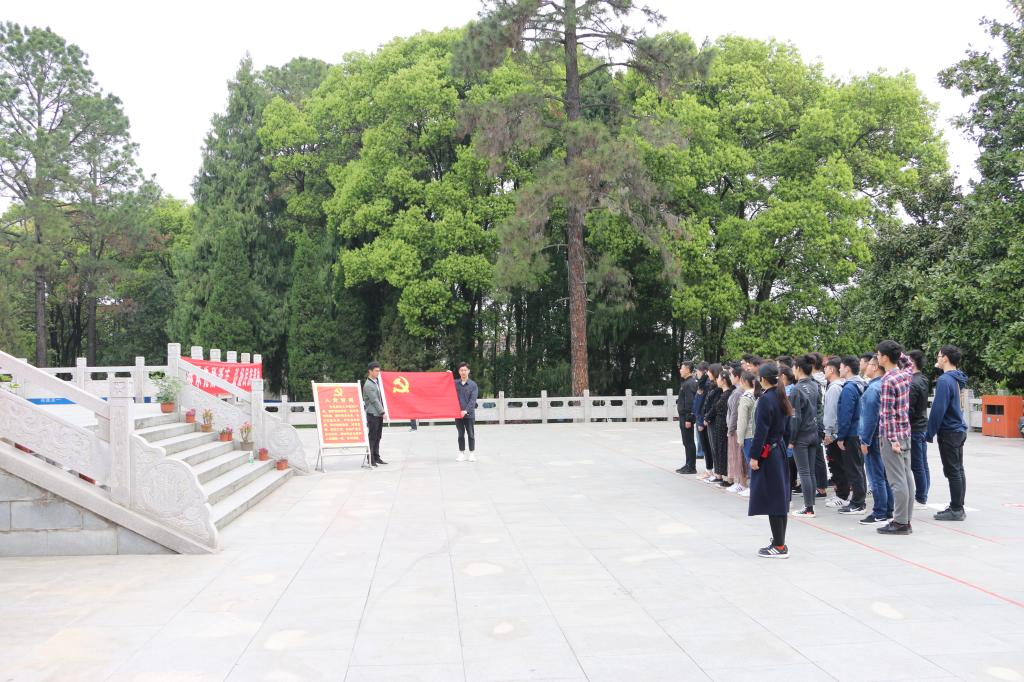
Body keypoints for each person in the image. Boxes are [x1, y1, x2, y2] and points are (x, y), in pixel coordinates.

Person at [748, 364, 794, 558]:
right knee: (779, 497)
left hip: (769, 452)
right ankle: (778, 541)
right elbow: (788, 429)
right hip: (779, 449)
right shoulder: (781, 396)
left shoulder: (766, 399)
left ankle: (779, 546)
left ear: (763, 379)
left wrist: (754, 456)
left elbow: (761, 432)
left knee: (774, 499)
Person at [875, 341, 915, 535]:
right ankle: (906, 520)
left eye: (878, 354)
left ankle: (899, 522)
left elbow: (887, 414)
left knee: (897, 480)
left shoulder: (888, 380)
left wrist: (892, 440)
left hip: (892, 435)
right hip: (905, 432)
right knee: (906, 478)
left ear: (885, 358)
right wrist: (900, 354)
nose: (877, 357)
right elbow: (910, 365)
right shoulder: (905, 375)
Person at [927, 345, 969, 521]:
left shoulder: (945, 380)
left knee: (953, 471)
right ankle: (957, 506)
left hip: (950, 431)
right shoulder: (957, 378)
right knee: (958, 469)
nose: (937, 359)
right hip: (958, 429)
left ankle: (957, 509)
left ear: (945, 358)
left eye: (938, 356)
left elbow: (938, 409)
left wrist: (929, 432)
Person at [858, 354, 893, 524]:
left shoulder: (873, 389)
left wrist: (865, 440)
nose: (866, 368)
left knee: (876, 476)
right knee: (884, 475)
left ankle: (879, 511)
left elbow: (870, 418)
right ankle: (888, 509)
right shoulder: (885, 384)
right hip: (884, 436)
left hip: (874, 438)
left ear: (875, 367)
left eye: (869, 365)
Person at [789, 355, 821, 517]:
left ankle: (809, 508)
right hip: (814, 433)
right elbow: (819, 409)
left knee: (804, 472)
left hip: (801, 436)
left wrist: (791, 439)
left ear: (798, 369)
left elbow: (795, 418)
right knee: (811, 472)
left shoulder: (796, 390)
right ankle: (811, 505)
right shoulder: (815, 386)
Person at [836, 356, 868, 515]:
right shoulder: (860, 385)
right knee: (858, 467)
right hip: (859, 431)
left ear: (847, 368)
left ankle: (858, 503)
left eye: (841, 367)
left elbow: (845, 415)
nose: (839, 369)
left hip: (851, 433)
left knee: (853, 469)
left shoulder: (849, 388)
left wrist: (841, 436)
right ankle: (859, 499)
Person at [822, 357, 848, 507]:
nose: (824, 370)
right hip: (839, 432)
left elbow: (831, 412)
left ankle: (842, 496)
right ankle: (841, 494)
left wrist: (828, 433)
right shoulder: (841, 385)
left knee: (838, 465)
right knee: (839, 464)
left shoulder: (834, 388)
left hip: (834, 433)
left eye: (825, 368)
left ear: (832, 370)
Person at [907, 350, 931, 508]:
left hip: (914, 427)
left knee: (917, 464)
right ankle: (924, 494)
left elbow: (910, 408)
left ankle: (921, 497)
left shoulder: (912, 382)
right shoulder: (923, 378)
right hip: (922, 426)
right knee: (923, 463)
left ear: (912, 362)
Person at [736, 371, 759, 498]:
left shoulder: (745, 397)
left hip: (748, 434)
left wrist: (740, 438)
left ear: (744, 382)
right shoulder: (756, 394)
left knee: (751, 462)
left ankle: (753, 488)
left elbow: (742, 420)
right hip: (757, 433)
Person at [710, 368, 735, 486]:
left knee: (724, 449)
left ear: (724, 380)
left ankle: (727, 477)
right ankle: (721, 474)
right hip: (719, 424)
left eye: (719, 378)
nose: (717, 380)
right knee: (719, 449)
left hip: (724, 424)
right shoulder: (722, 393)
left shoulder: (728, 394)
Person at [699, 364, 723, 482]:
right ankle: (716, 472)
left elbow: (715, 406)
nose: (707, 373)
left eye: (709, 371)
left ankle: (719, 473)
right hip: (709, 419)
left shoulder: (718, 388)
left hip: (713, 420)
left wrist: (708, 417)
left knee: (715, 447)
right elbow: (701, 385)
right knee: (712, 447)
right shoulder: (711, 385)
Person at [362, 361, 387, 466]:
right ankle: (370, 459)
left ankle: (376, 457)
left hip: (378, 414)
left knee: (378, 436)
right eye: (376, 371)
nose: (378, 373)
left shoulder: (376, 382)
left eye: (378, 371)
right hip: (373, 414)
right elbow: (375, 400)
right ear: (370, 371)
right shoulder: (368, 385)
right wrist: (383, 412)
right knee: (372, 437)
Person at [676, 362, 698, 474]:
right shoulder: (686, 382)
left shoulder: (690, 383)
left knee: (689, 442)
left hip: (686, 416)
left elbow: (690, 402)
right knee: (686, 441)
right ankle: (688, 463)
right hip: (683, 416)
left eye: (682, 368)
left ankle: (691, 466)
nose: (680, 370)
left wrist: (689, 419)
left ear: (688, 370)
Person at [454, 362, 479, 462]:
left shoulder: (473, 385)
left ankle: (472, 453)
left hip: (469, 414)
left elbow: (473, 400)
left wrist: (466, 410)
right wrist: (448, 374)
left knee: (471, 434)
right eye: (461, 370)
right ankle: (461, 453)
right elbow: (445, 383)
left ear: (468, 371)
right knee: (460, 434)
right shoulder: (455, 383)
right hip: (458, 414)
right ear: (459, 372)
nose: (463, 372)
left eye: (465, 370)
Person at [726, 365, 745, 492]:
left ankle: (741, 483)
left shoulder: (738, 392)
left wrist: (730, 429)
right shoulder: (737, 391)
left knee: (738, 456)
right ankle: (738, 481)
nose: (730, 378)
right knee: (736, 456)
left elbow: (734, 413)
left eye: (731, 376)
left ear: (737, 377)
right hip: (735, 428)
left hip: (736, 429)